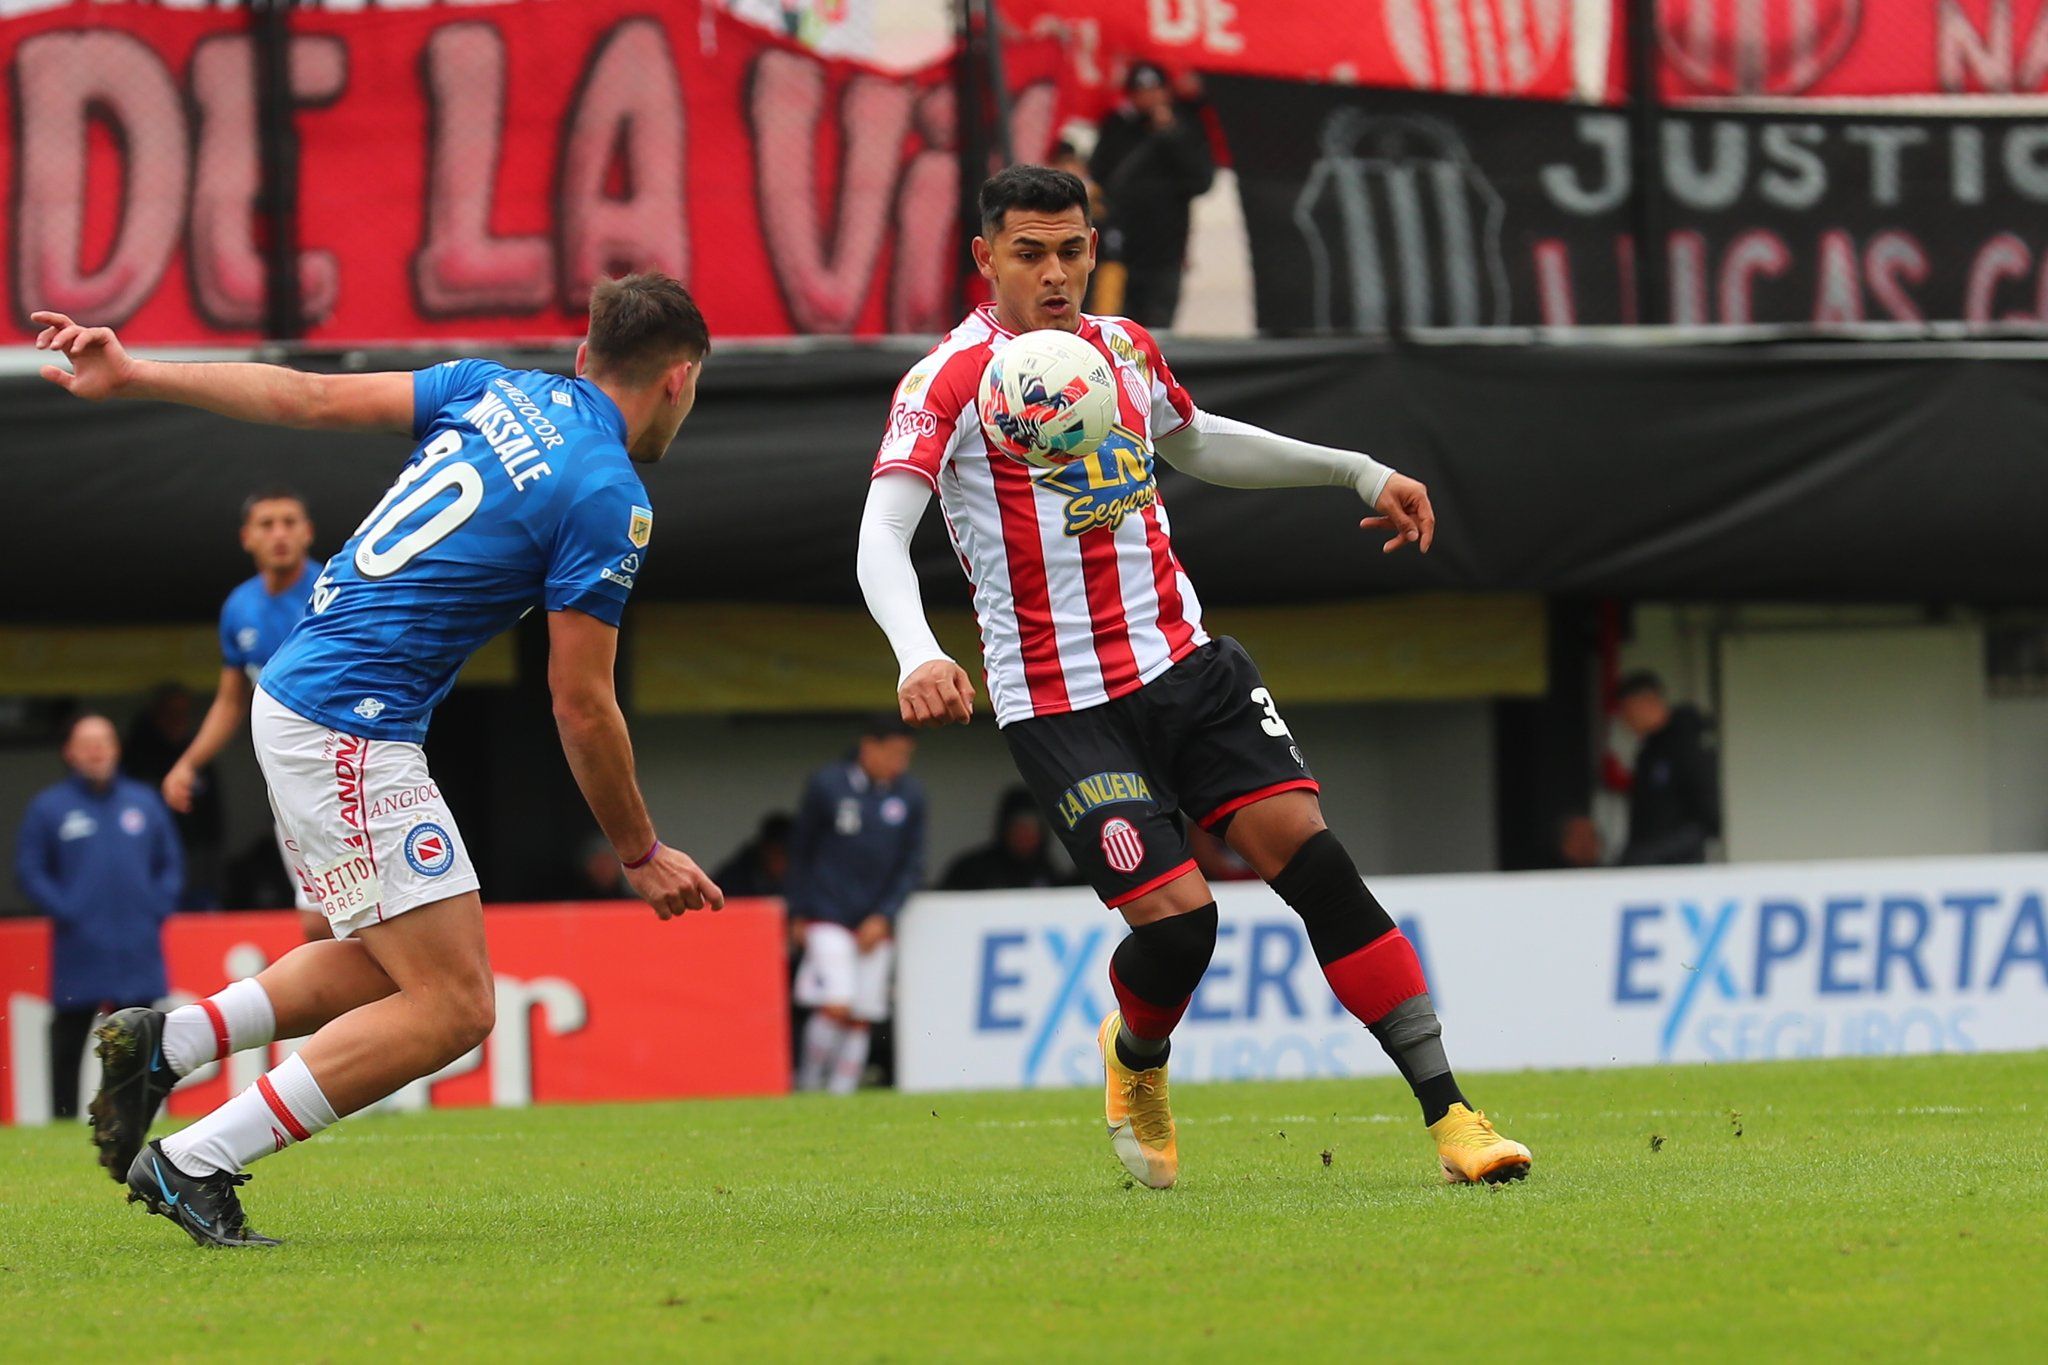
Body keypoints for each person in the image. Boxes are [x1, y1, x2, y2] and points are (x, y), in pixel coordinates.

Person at [857, 165, 1530, 1189]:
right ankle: (1133, 1061)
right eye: (1028, 253)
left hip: (1185, 665)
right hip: (1061, 704)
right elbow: (881, 532)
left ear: (1094, 247)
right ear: (982, 257)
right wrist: (917, 650)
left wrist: (1355, 469)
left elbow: (1198, 442)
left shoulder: (1122, 349)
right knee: (1181, 926)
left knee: (1315, 866)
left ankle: (1453, 1119)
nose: (1053, 273)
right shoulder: (947, 382)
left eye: (1070, 250)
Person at [33, 272, 723, 1248]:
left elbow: (307, 396)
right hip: (348, 725)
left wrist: (137, 370)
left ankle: (170, 1042)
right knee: (455, 1005)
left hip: (304, 695)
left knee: (386, 963)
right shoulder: (608, 495)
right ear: (678, 379)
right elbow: (580, 702)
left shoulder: (492, 387)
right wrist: (639, 848)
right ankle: (196, 1158)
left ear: (581, 356)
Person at [161, 490, 326, 935]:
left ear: (308, 532)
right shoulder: (238, 607)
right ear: (246, 537)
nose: (279, 533)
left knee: (362, 916)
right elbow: (232, 700)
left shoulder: (333, 591)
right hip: (287, 787)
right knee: (315, 922)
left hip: (342, 779)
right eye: (267, 524)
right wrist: (189, 763)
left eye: (290, 522)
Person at [13, 715, 183, 1120]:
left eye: (103, 742)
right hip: (80, 947)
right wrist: (67, 909)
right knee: (69, 1040)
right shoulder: (49, 808)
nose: (96, 751)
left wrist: (155, 906)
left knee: (142, 1040)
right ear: (69, 752)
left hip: (137, 945)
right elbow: (30, 870)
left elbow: (171, 863)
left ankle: (137, 1117)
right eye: (87, 743)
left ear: (116, 748)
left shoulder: (143, 802)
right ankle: (64, 1117)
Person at [786, 718, 925, 1093]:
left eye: (906, 756)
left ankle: (842, 1097)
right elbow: (801, 852)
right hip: (827, 914)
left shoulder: (910, 797)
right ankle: (808, 1086)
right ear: (869, 746)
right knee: (837, 1003)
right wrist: (797, 911)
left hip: (874, 921)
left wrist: (885, 916)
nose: (900, 764)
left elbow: (911, 866)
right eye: (894, 754)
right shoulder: (827, 785)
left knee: (862, 1014)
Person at [1088, 62, 1214, 329]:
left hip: (1166, 250)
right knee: (1114, 325)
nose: (1150, 97)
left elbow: (1203, 181)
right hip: (1119, 249)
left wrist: (1171, 135)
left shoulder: (1186, 127)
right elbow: (1100, 173)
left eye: (1156, 89)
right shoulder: (1118, 126)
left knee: (1158, 327)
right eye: (1141, 91)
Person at [122, 683, 224, 909]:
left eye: (183, 713)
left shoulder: (197, 755)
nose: (178, 720)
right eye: (171, 713)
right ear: (156, 714)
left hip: (196, 855)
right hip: (150, 860)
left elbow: (213, 815)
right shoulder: (137, 757)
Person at [1614, 671, 1721, 865]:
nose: (1624, 719)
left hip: (1680, 870)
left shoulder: (1689, 744)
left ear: (1647, 702)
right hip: (1647, 868)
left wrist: (1654, 853)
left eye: (1626, 709)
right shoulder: (1648, 752)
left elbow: (1708, 818)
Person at [941, 786, 1068, 891]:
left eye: (1031, 828)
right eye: (1019, 826)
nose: (1024, 835)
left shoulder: (1050, 874)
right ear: (1005, 828)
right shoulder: (972, 871)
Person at [714, 812, 794, 898]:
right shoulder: (733, 880)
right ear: (765, 851)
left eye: (791, 854)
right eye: (778, 853)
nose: (783, 861)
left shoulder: (804, 880)